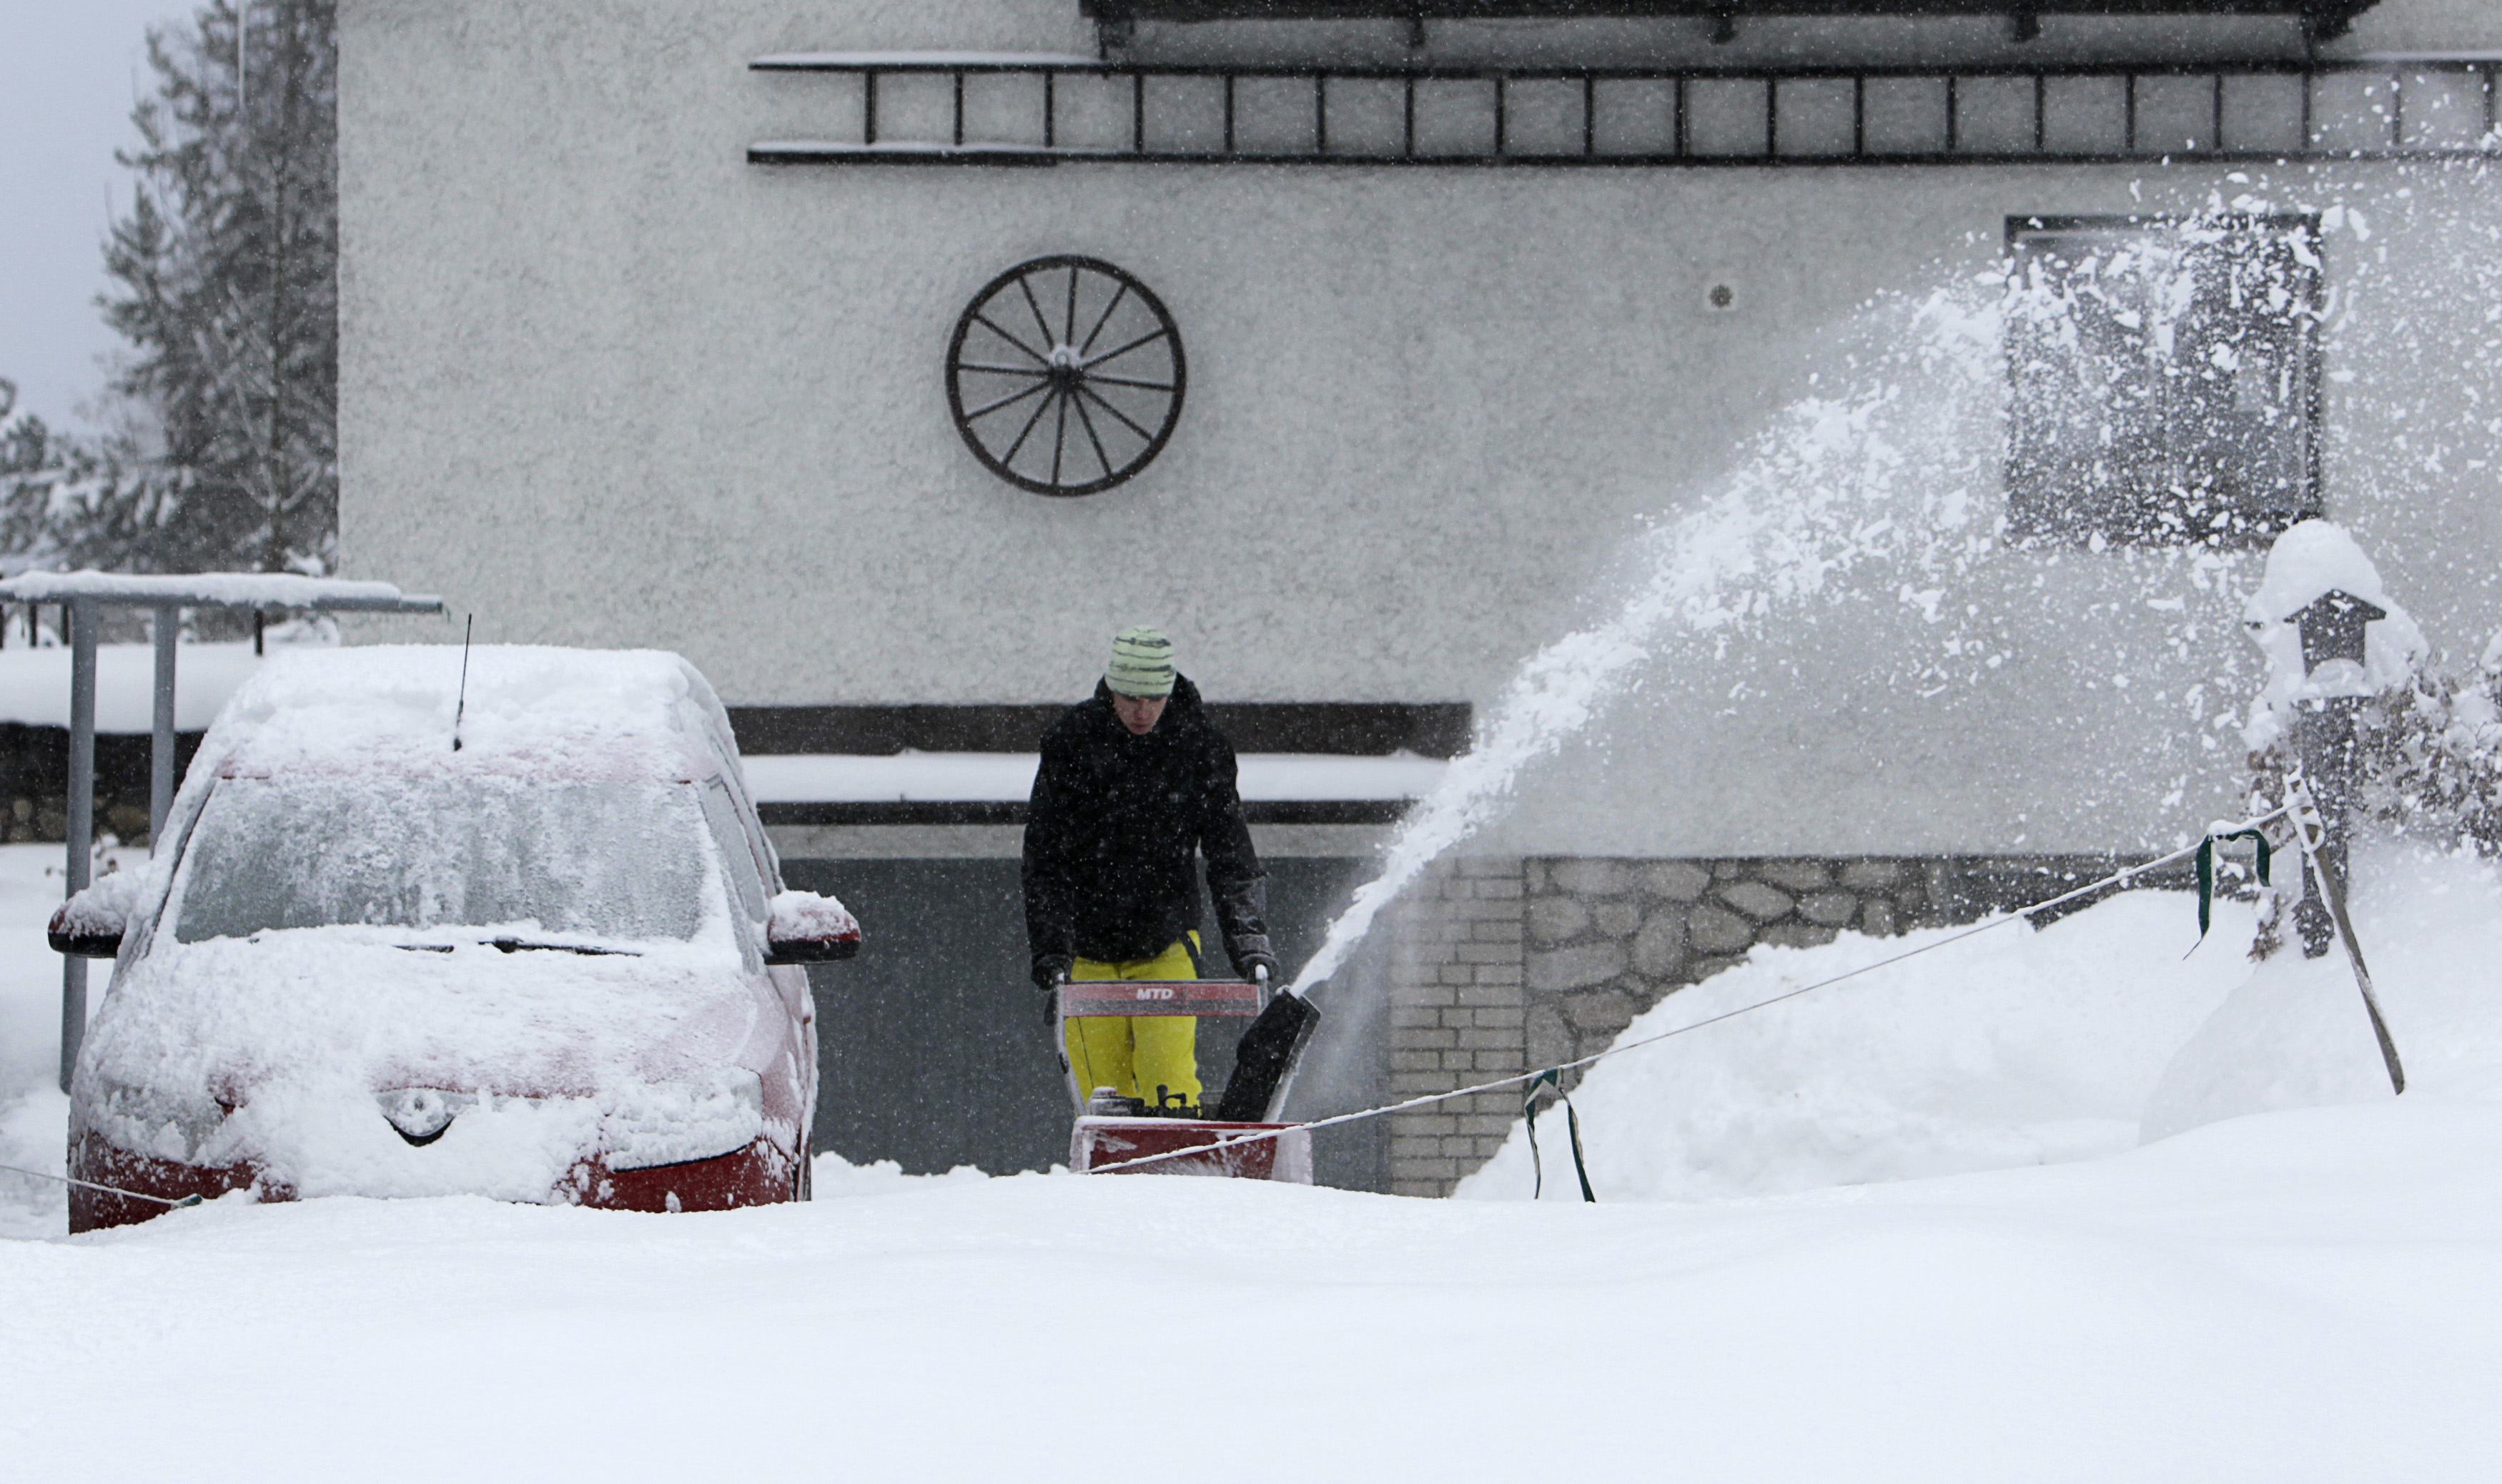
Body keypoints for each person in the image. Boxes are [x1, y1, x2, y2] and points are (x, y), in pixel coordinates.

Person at [1024, 626, 1277, 1114]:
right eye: (1130, 698)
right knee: (1103, 1100)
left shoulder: (1199, 746)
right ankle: (1112, 1184)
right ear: (1111, 690)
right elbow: (1044, 859)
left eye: (1154, 698)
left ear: (1170, 691)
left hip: (1167, 941)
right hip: (1086, 953)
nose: (1142, 711)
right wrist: (1052, 948)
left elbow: (1230, 855)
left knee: (1171, 1088)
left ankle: (1177, 1177)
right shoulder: (1072, 744)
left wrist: (1249, 941)